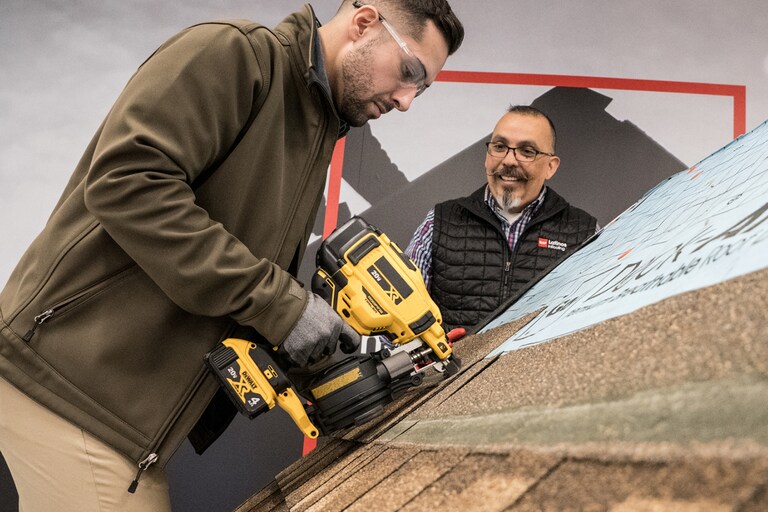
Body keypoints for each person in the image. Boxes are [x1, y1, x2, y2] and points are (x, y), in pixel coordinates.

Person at [0, 1, 464, 510]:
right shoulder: (235, 55)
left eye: (421, 88)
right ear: (363, 23)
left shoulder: (315, 127)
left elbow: (227, 274)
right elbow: (127, 184)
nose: (405, 101)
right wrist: (282, 306)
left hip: (119, 419)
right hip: (66, 388)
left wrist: (320, 356)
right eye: (409, 72)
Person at [406, 105, 597, 332]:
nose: (509, 160)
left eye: (527, 151)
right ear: (487, 157)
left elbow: (596, 323)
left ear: (551, 167)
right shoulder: (440, 222)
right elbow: (401, 312)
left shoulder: (584, 233)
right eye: (499, 147)